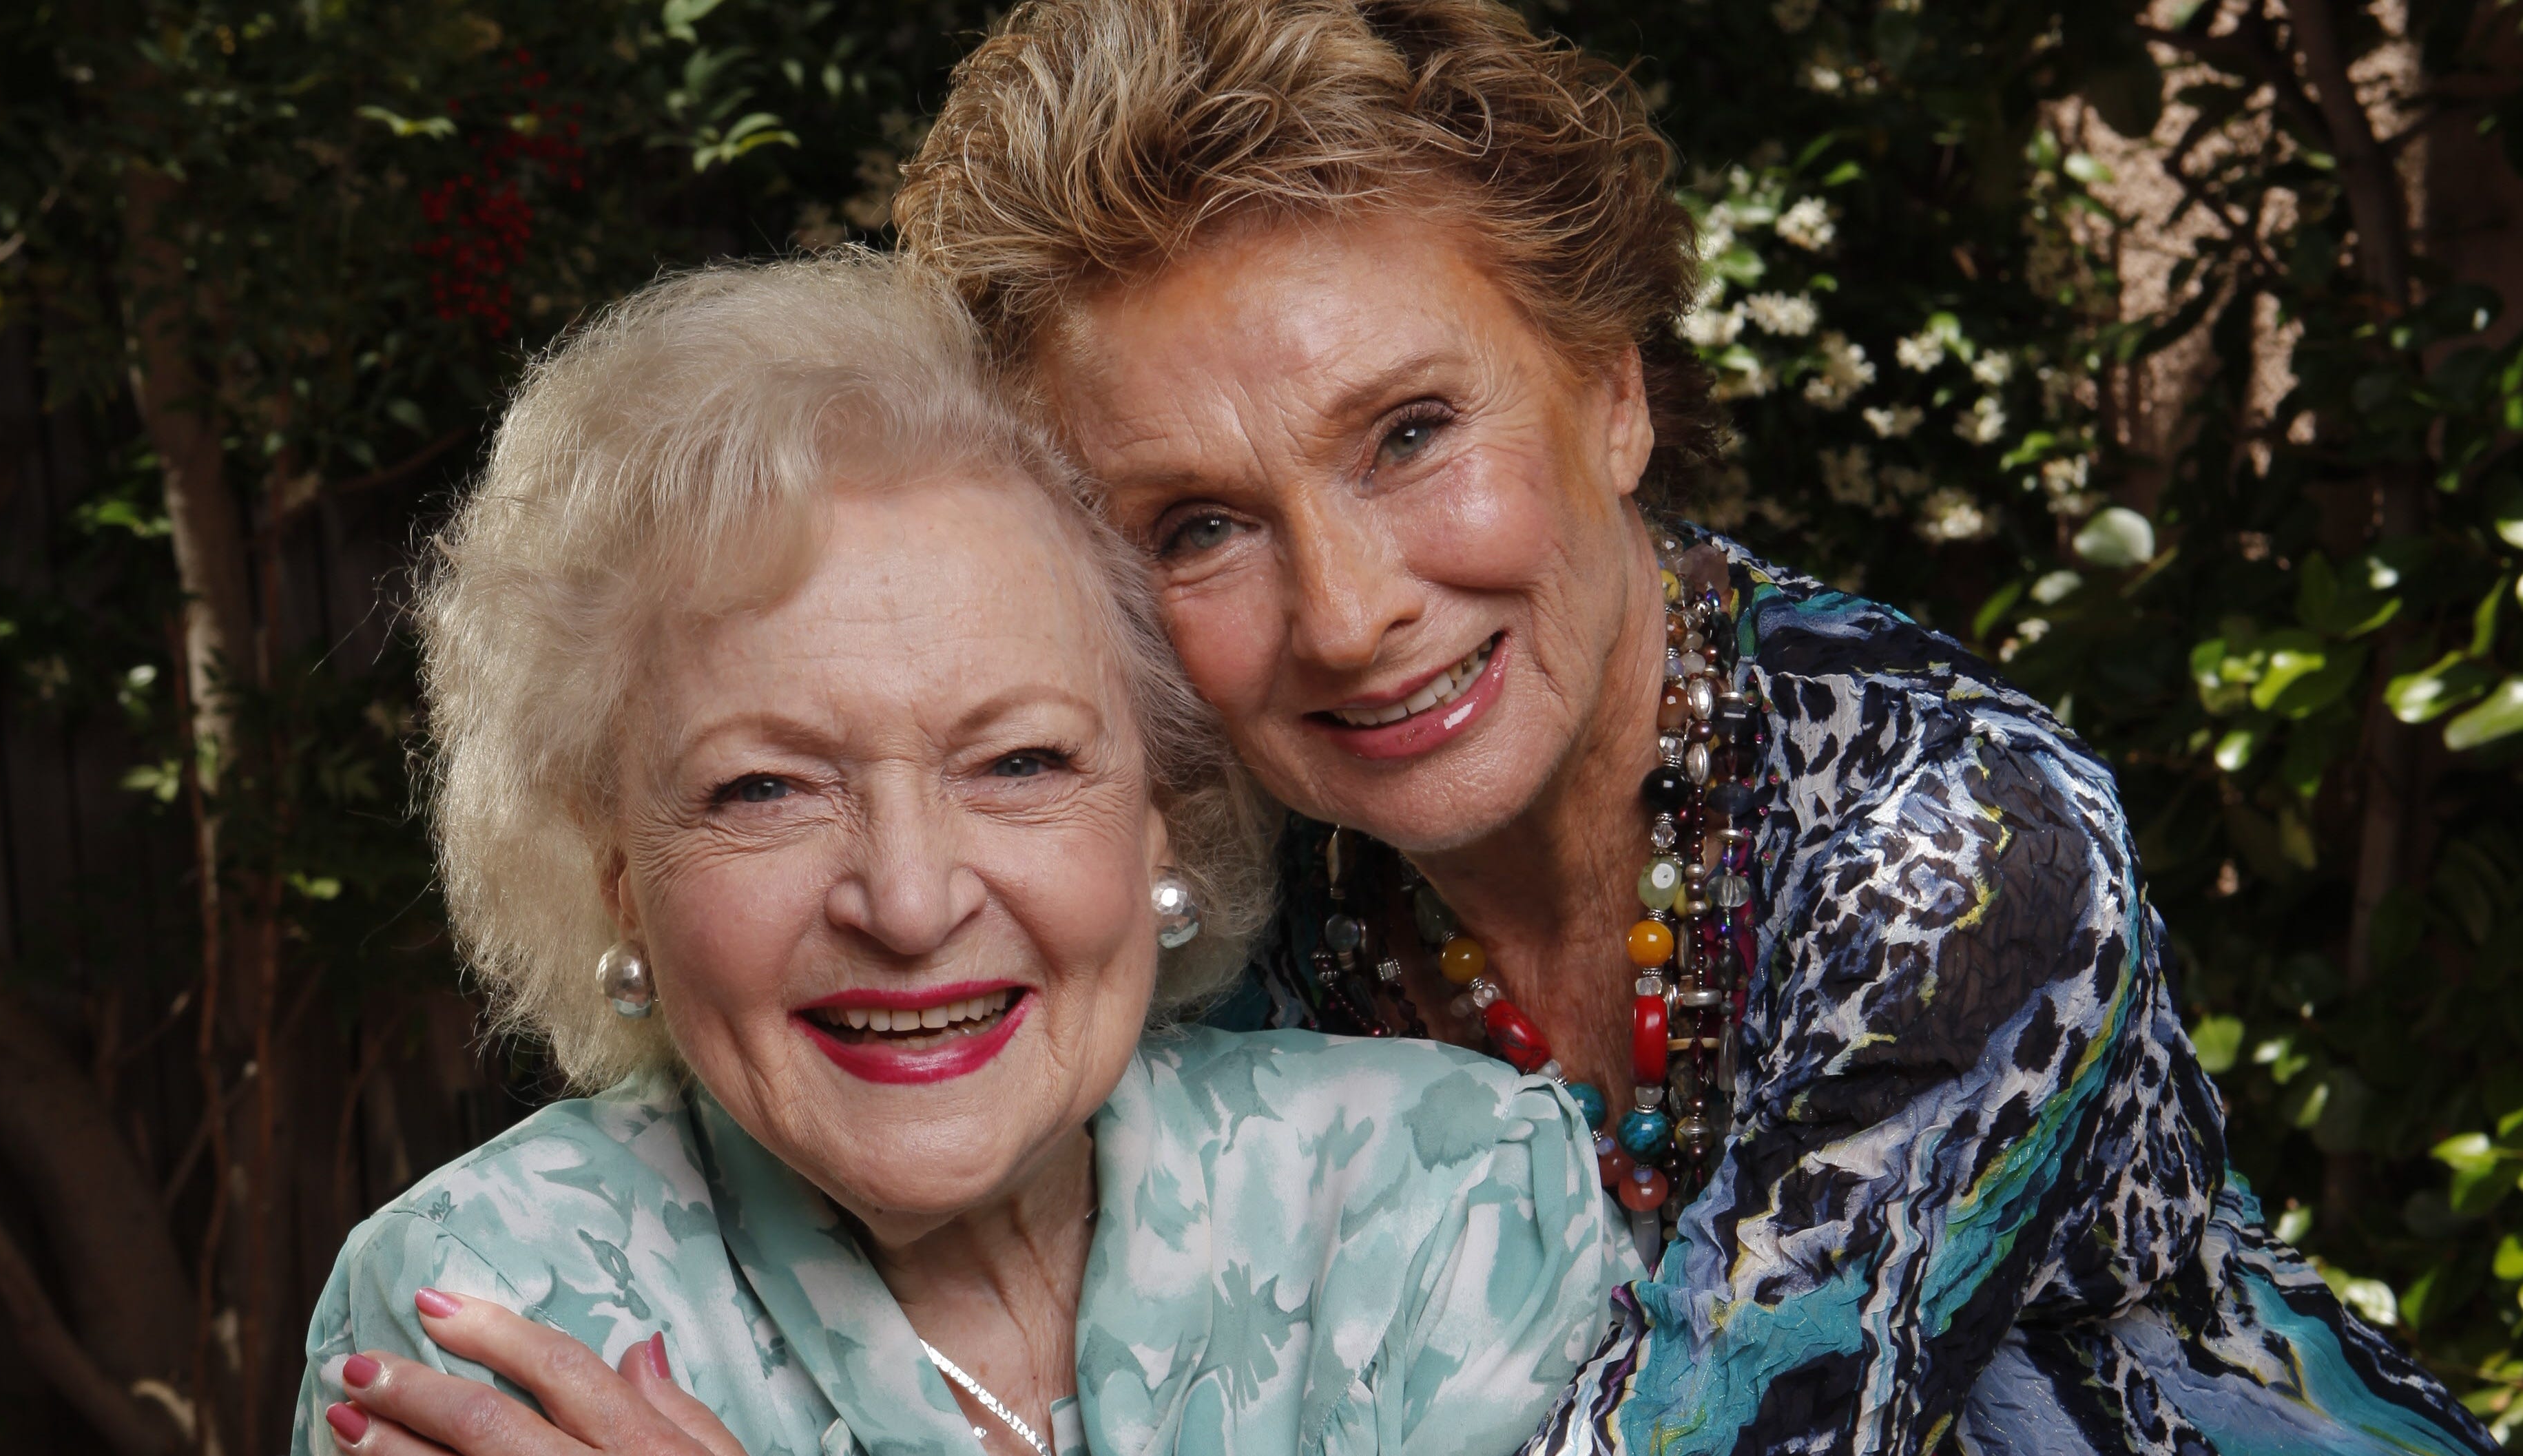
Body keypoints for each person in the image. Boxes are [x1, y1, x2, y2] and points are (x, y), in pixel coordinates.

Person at [890, 1, 2501, 1452]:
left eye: (1408, 432)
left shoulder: (1956, 839)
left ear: (1612, 393)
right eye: (1193, 527)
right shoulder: (1241, 896)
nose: (1344, 610)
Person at [291, 253, 1634, 1456]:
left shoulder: (1440, 1193)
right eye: (762, 788)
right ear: (615, 879)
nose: (912, 900)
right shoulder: (486, 1301)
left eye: (1019, 764)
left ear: (1159, 815)